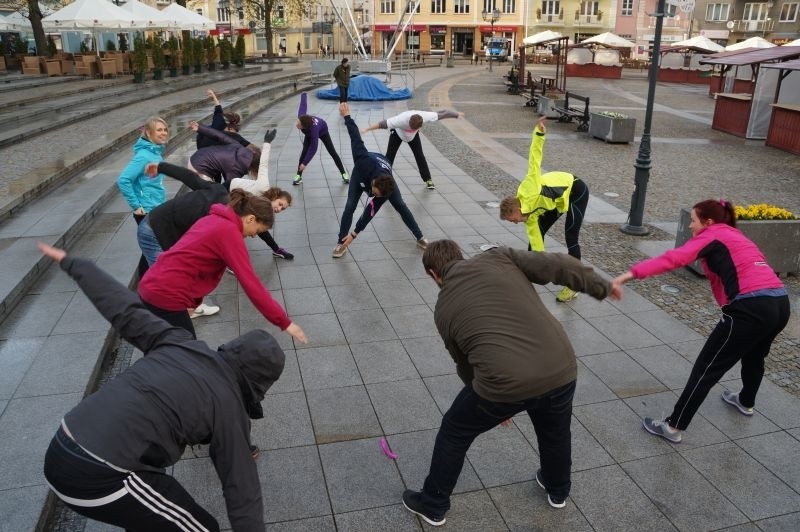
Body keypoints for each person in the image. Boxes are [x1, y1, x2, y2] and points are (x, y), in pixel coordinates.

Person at [38, 242, 283, 531]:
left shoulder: (178, 342)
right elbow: (242, 489)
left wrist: (78, 265)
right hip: (97, 472)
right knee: (200, 528)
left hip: (65, 441)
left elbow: (125, 310)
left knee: (156, 514)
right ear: (259, 383)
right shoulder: (228, 406)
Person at [402, 240, 619, 526]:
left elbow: (464, 363)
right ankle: (557, 490)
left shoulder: (443, 310)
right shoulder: (498, 257)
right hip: (560, 365)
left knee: (454, 432)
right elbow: (557, 264)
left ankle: (432, 504)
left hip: (505, 385)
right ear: (460, 256)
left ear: (433, 274)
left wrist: (491, 401)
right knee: (555, 430)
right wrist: (600, 286)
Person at [613, 199, 790, 444]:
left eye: (693, 221)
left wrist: (631, 274)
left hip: (751, 309)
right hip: (780, 302)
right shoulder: (734, 235)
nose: (690, 227)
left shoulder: (713, 235)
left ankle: (673, 426)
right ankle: (746, 401)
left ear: (708, 222)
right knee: (755, 356)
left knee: (706, 369)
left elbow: (674, 258)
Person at [138, 188, 307, 344]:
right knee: (186, 354)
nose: (254, 236)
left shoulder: (214, 219)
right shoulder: (229, 232)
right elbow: (251, 283)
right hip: (165, 294)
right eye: (256, 230)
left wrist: (192, 301)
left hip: (155, 286)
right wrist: (284, 322)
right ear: (250, 219)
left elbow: (192, 260)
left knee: (166, 352)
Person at [499, 116, 589, 303]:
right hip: (556, 202)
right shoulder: (528, 218)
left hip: (574, 190)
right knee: (535, 237)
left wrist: (539, 133)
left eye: (512, 219)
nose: (514, 222)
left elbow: (534, 159)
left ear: (515, 209)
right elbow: (537, 243)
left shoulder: (529, 189)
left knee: (571, 236)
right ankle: (527, 278)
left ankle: (575, 284)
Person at [333, 103, 428, 258]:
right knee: (350, 205)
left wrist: (355, 233)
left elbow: (370, 211)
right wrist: (347, 116)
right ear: (373, 183)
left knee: (400, 205)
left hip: (383, 169)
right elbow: (355, 138)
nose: (374, 196)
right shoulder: (362, 160)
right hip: (362, 173)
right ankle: (340, 242)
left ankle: (420, 237)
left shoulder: (385, 190)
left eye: (377, 196)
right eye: (374, 193)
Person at [117, 116, 169, 278]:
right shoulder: (144, 156)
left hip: (156, 205)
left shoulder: (154, 152)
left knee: (150, 249)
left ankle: (145, 286)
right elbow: (123, 180)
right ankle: (149, 287)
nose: (163, 133)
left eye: (165, 129)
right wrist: (136, 205)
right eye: (159, 130)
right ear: (148, 132)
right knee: (153, 248)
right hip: (146, 210)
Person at [361, 108, 464, 190]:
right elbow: (381, 124)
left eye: (415, 128)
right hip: (398, 133)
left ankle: (428, 179)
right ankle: (382, 179)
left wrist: (456, 114)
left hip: (413, 136)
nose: (411, 128)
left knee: (419, 155)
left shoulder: (425, 116)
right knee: (389, 156)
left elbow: (443, 113)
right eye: (411, 127)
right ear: (409, 122)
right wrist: (366, 129)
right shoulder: (400, 120)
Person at [293, 92, 349, 185]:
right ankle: (298, 176)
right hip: (309, 132)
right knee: (304, 152)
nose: (296, 124)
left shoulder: (313, 131)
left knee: (332, 152)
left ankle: (344, 173)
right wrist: (304, 95)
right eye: (297, 122)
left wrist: (305, 163)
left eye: (298, 124)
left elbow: (314, 148)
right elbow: (303, 105)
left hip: (323, 130)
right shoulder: (301, 117)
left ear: (304, 126)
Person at [189, 121, 261, 187]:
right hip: (199, 167)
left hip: (199, 154)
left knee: (214, 190)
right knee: (212, 193)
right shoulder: (236, 168)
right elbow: (231, 187)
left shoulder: (238, 146)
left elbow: (218, 135)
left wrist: (200, 128)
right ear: (253, 167)